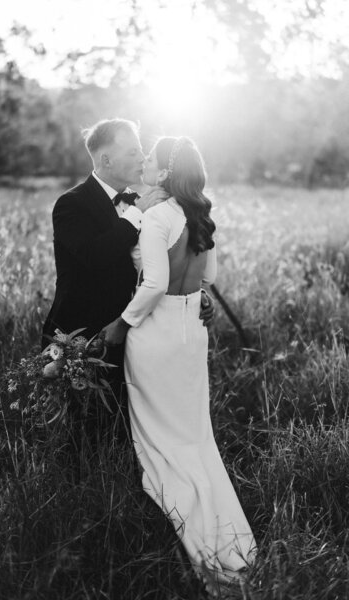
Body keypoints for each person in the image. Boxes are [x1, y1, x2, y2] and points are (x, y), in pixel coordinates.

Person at [102, 136, 256, 591]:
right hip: (192, 331)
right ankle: (234, 545)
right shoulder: (199, 214)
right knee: (193, 437)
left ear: (165, 173)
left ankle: (203, 547)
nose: (145, 162)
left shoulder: (156, 218)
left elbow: (152, 285)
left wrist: (121, 325)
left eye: (151, 159)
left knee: (160, 443)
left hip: (156, 334)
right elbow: (207, 278)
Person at [41, 119, 214, 447]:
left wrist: (193, 292)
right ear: (105, 160)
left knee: (128, 432)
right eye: (134, 151)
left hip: (134, 332)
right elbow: (94, 256)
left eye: (143, 152)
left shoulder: (147, 198)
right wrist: (136, 214)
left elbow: (163, 262)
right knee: (82, 437)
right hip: (83, 333)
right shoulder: (71, 205)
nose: (142, 158)